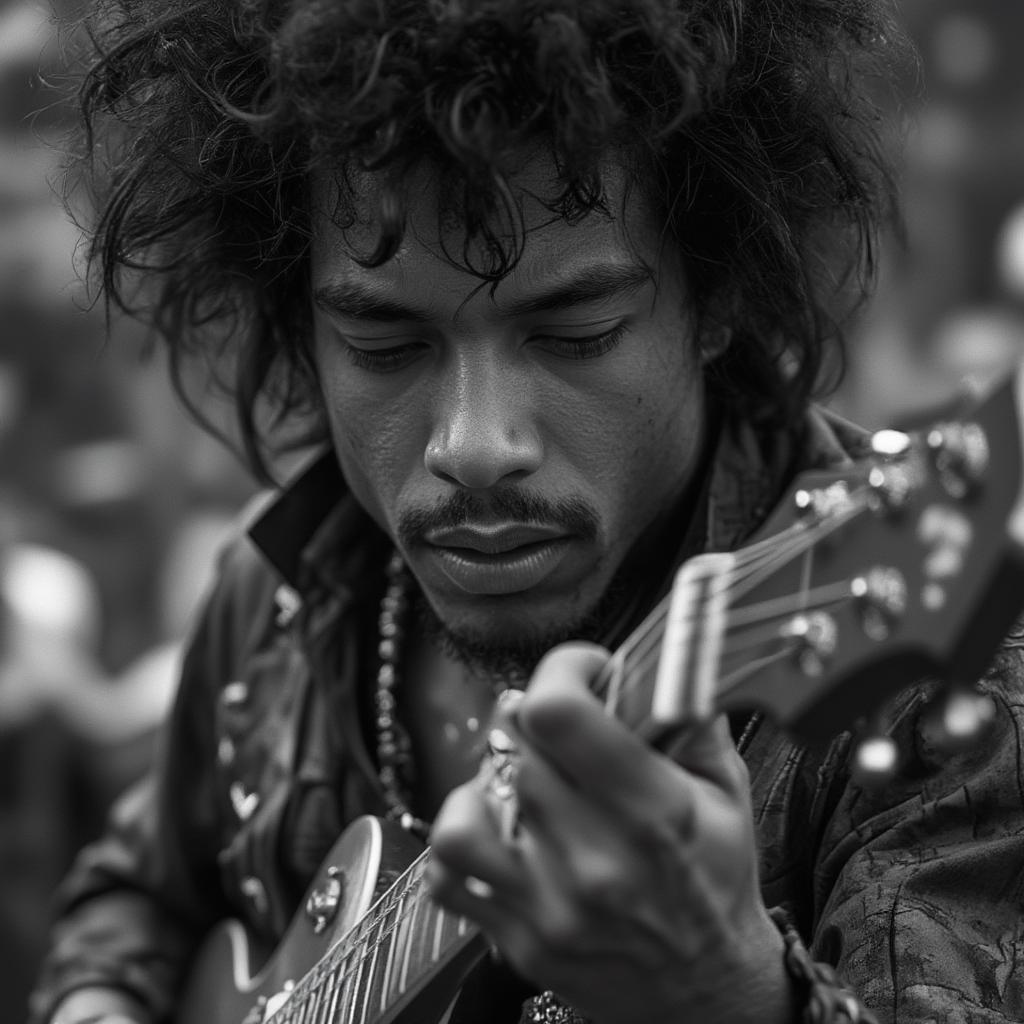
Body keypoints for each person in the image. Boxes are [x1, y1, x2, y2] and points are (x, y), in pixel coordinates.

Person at [32, 1, 1024, 1022]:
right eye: (383, 346)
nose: (473, 443)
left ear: (717, 296)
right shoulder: (277, 594)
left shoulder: (936, 699)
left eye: (575, 331)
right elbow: (138, 894)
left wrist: (723, 993)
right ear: (303, 330)